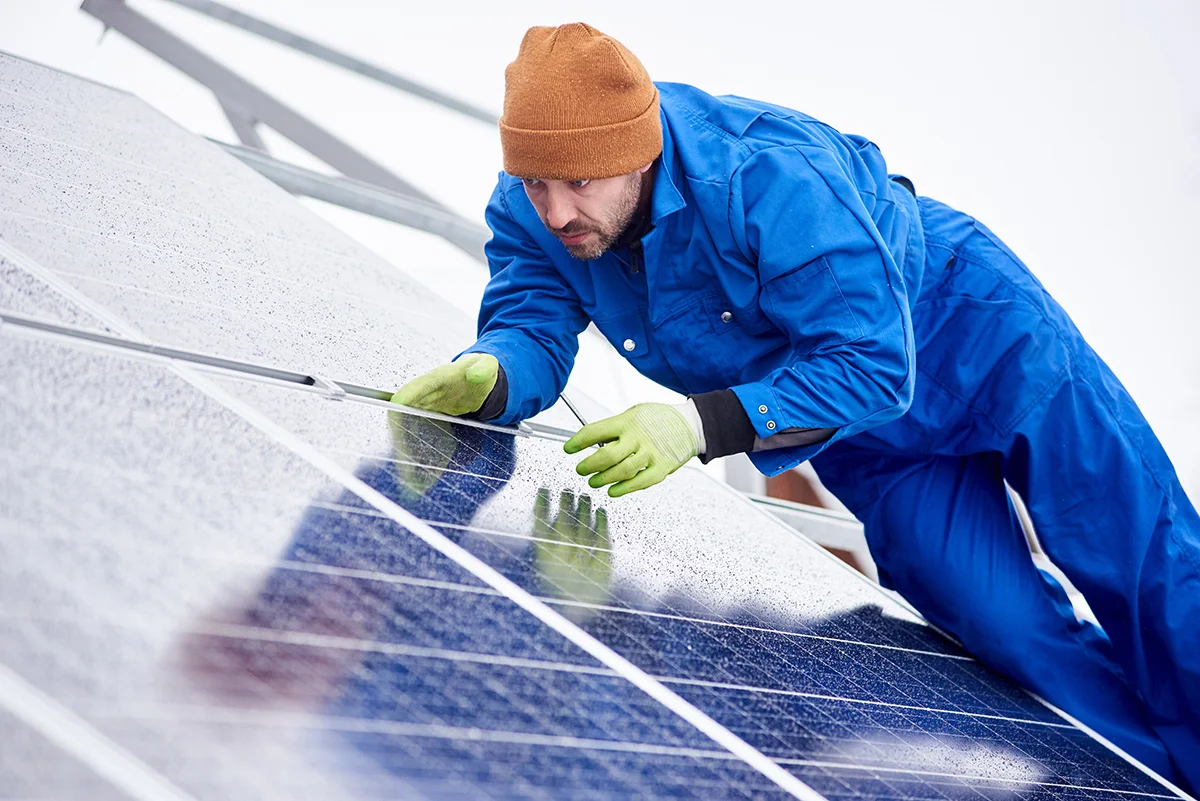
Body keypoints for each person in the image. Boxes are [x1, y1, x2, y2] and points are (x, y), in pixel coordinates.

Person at [392, 22, 1199, 789]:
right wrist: (493, 374)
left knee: (1149, 573)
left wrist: (700, 424)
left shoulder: (763, 172)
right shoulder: (536, 211)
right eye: (535, 183)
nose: (557, 211)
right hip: (863, 435)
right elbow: (531, 316)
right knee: (1006, 631)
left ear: (637, 154)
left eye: (578, 183)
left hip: (981, 340)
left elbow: (875, 356)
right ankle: (1148, 785)